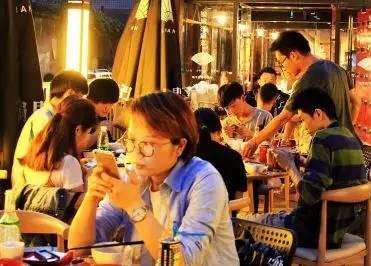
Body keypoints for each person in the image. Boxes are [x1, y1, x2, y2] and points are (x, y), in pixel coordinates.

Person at [69, 91, 239, 266]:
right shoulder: (133, 177)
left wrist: (135, 206)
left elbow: (182, 262)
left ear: (180, 146)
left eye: (147, 144)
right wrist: (91, 198)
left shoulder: (204, 181)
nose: (136, 153)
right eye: (131, 141)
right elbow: (78, 250)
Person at [241, 87, 367, 249]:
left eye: (303, 119)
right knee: (271, 216)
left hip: (314, 231)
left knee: (243, 223)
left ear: (318, 114)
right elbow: (334, 174)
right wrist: (302, 161)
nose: (305, 127)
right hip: (340, 229)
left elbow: (309, 195)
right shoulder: (349, 136)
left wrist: (290, 166)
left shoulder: (322, 138)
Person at [243, 31, 360, 157]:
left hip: (328, 151)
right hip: (351, 147)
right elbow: (357, 102)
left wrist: (254, 142)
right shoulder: (339, 69)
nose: (283, 68)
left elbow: (283, 118)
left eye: (282, 63)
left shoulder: (308, 78)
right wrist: (347, 128)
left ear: (293, 55)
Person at [12, 70, 88, 185]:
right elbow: (49, 158)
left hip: (38, 180)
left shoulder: (51, 115)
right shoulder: (44, 118)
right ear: (70, 93)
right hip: (31, 186)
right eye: (79, 98)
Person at [18, 96, 98, 191]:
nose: (88, 138)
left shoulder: (36, 154)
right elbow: (80, 200)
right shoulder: (69, 163)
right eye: (89, 132)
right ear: (78, 130)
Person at [195, 108, 247, 201]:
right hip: (227, 210)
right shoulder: (234, 157)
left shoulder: (184, 157)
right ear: (219, 132)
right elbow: (238, 200)